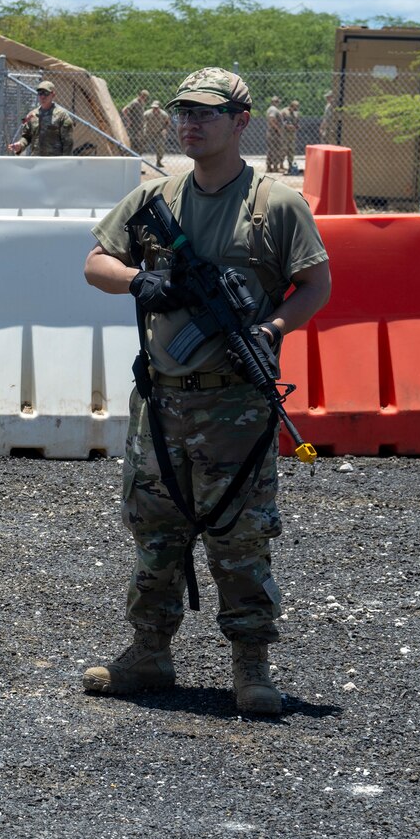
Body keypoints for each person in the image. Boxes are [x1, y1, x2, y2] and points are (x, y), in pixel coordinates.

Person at [79, 68, 333, 716]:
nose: (189, 123)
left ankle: (251, 665)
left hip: (234, 405)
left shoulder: (274, 203)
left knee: (239, 536)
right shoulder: (156, 195)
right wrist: (140, 282)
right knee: (155, 533)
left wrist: (273, 327)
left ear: (240, 120)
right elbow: (95, 261)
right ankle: (148, 652)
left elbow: (315, 285)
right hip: (163, 404)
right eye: (182, 113)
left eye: (206, 114)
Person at [8, 79, 76, 155]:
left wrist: (66, 162)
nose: (43, 96)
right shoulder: (32, 115)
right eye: (40, 93)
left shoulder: (62, 116)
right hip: (36, 162)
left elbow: (68, 143)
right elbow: (27, 137)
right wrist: (20, 145)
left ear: (53, 95)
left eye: (46, 93)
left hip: (55, 162)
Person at [121, 89, 152, 157]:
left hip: (140, 126)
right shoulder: (135, 102)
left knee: (141, 142)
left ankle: (136, 155)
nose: (144, 98)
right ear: (140, 95)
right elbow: (124, 110)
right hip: (134, 126)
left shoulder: (141, 103)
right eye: (143, 96)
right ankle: (131, 155)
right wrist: (128, 120)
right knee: (134, 141)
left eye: (145, 97)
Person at [263, 96, 287, 174]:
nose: (278, 103)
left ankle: (270, 167)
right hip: (274, 133)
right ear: (274, 102)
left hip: (273, 133)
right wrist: (278, 129)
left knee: (272, 150)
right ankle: (275, 167)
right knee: (275, 150)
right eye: (277, 101)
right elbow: (271, 119)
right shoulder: (273, 109)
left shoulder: (273, 109)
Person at [145, 98, 171, 168]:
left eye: (156, 108)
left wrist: (165, 129)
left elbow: (168, 123)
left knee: (160, 146)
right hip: (148, 131)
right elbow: (142, 121)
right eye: (153, 108)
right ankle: (138, 158)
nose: (155, 109)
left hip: (159, 132)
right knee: (142, 145)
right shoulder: (147, 113)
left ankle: (158, 161)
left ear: (159, 108)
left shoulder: (164, 114)